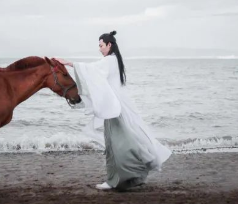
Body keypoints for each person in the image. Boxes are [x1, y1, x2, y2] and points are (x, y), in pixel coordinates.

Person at [55, 31, 171, 191]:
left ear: (109, 45)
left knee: (114, 145)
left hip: (113, 110)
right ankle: (134, 175)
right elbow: (95, 73)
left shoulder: (109, 60)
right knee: (125, 142)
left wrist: (69, 63)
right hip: (117, 108)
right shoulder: (115, 60)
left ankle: (113, 181)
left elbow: (91, 69)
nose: (99, 49)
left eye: (101, 45)